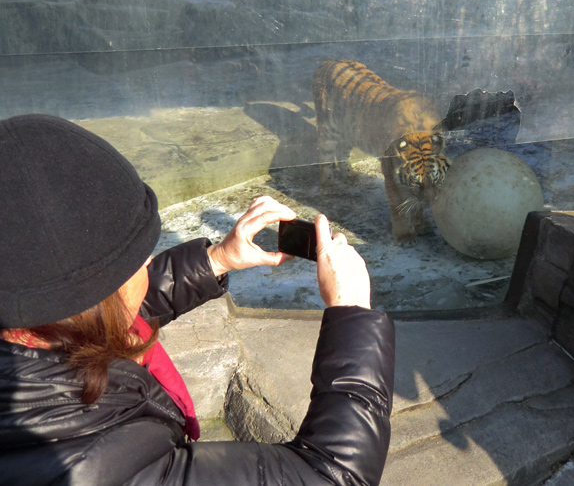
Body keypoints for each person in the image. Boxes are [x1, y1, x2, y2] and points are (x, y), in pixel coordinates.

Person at [0, 114, 395, 485]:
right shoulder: (99, 465)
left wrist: (217, 259)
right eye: (139, 258)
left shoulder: (32, 333)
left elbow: (107, 314)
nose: (150, 261)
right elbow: (332, 475)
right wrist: (352, 312)